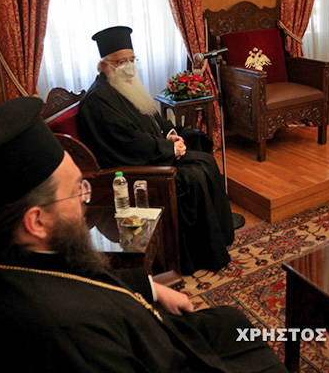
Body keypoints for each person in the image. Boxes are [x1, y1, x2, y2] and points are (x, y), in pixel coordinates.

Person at [0, 98, 287, 372]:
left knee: (231, 320)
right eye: (77, 190)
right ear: (37, 221)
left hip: (141, 332)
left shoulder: (8, 256)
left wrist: (151, 288)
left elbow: (77, 278)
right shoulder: (64, 333)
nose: (85, 201)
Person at [77, 26, 234, 274]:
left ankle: (218, 238)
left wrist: (170, 134)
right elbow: (127, 143)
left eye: (132, 59)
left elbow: (152, 118)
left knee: (205, 159)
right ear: (104, 66)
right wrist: (169, 149)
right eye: (121, 61)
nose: (129, 66)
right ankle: (197, 255)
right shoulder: (98, 101)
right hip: (133, 169)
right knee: (193, 176)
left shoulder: (125, 85)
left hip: (154, 152)